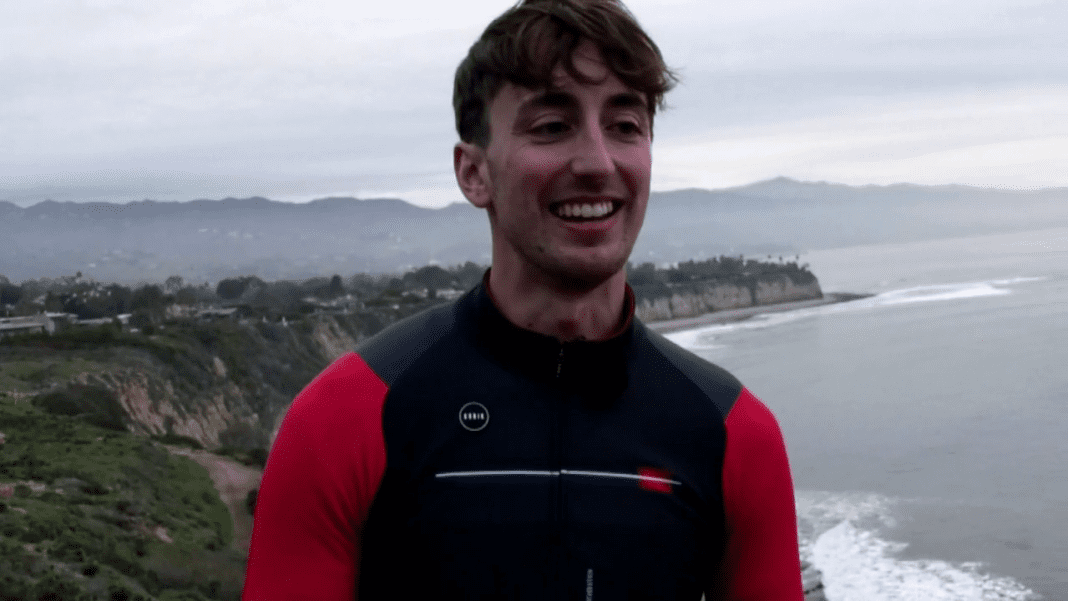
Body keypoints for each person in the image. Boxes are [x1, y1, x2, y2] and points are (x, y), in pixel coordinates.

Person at [242, 0, 803, 598]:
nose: (597, 162)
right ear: (473, 173)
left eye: (625, 125)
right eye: (552, 126)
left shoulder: (734, 434)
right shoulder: (344, 420)